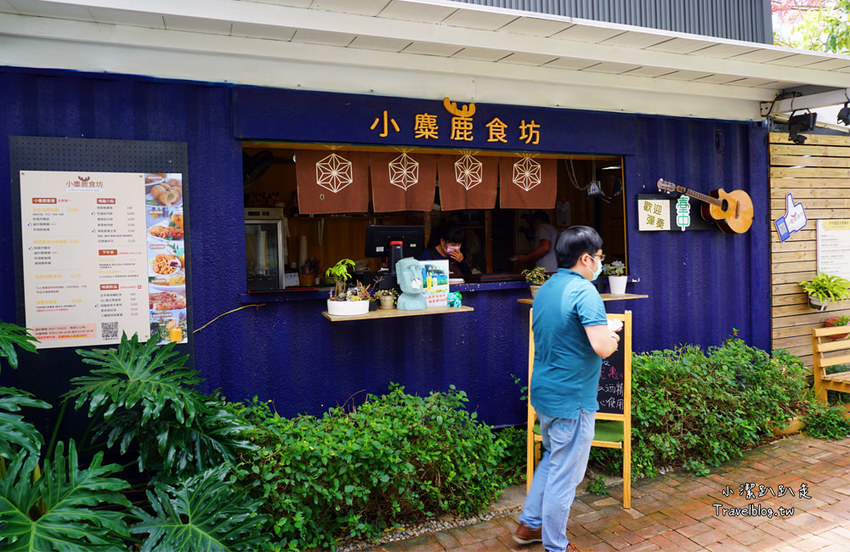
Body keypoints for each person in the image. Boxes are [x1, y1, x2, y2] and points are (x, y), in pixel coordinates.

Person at [513, 225, 621, 552]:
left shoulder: (546, 288)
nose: (600, 264)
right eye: (600, 258)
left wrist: (601, 328)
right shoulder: (585, 291)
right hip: (572, 399)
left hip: (546, 393)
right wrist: (612, 335)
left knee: (552, 461)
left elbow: (566, 332)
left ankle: (529, 526)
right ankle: (556, 546)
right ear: (586, 258)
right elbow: (602, 347)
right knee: (565, 476)